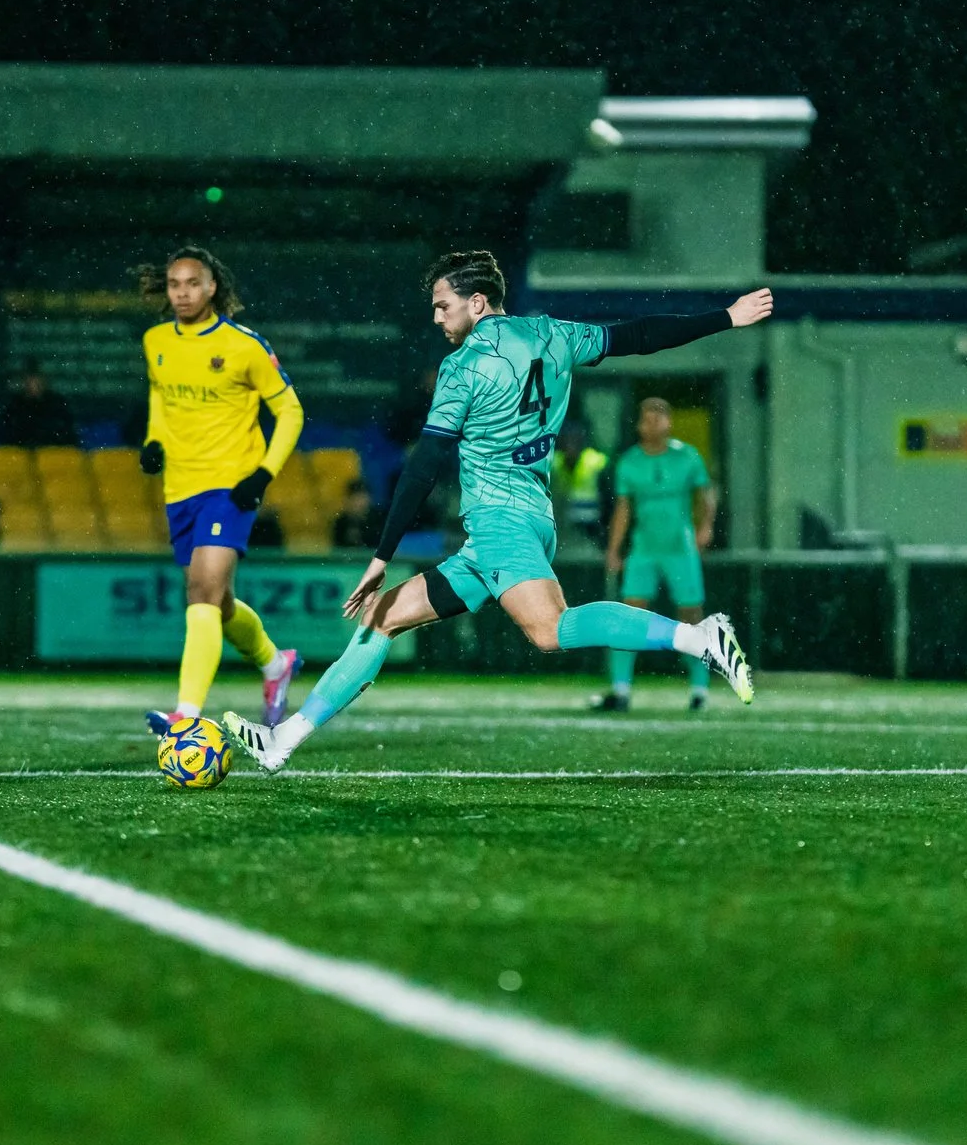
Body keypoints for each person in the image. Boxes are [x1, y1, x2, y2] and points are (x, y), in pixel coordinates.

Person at [226, 252, 773, 772]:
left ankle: (698, 638)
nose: (436, 316)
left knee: (551, 631)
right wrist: (725, 317)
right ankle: (284, 738)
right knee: (382, 618)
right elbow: (639, 335)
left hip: (499, 524)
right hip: (529, 520)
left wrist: (380, 555)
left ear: (479, 303)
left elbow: (425, 465)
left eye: (444, 305)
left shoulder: (463, 367)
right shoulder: (554, 334)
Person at [126, 246, 306, 737]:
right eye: (174, 284)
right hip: (179, 487)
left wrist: (263, 473)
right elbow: (160, 396)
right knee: (218, 603)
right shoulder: (156, 341)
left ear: (212, 288)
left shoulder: (244, 345)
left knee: (200, 591)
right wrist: (154, 441)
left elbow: (291, 411)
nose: (182, 292)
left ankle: (186, 714)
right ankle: (275, 664)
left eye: (192, 283)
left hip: (230, 485)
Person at [592, 397, 718, 712]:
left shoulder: (687, 457)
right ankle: (621, 689)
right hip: (644, 548)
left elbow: (705, 496)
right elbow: (623, 509)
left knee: (690, 616)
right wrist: (614, 549)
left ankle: (699, 689)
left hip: (680, 547)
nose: (653, 425)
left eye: (659, 418)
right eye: (647, 419)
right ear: (639, 424)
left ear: (669, 422)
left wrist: (706, 527)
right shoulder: (630, 462)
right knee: (630, 616)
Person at [550, 412, 610, 544]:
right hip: (563, 527)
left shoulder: (596, 461)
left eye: (575, 440)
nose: (571, 445)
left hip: (592, 526)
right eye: (567, 439)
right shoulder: (555, 462)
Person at [0, 361, 79, 448]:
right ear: (24, 381)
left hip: (51, 451)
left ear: (44, 381)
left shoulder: (57, 403)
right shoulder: (15, 404)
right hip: (22, 450)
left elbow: (65, 431)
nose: (34, 384)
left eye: (37, 379)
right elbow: (9, 433)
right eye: (30, 380)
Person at [330, 479, 379, 550]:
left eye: (363, 498)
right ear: (348, 500)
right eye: (357, 499)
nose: (361, 503)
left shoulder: (377, 521)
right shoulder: (341, 522)